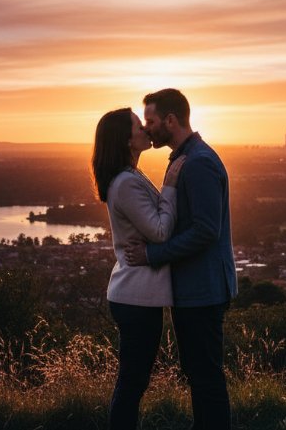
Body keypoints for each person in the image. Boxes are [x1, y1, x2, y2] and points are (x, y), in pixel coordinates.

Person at [125, 88, 237, 430]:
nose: (147, 129)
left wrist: (152, 255)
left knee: (206, 376)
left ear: (171, 120)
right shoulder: (184, 160)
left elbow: (206, 230)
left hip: (203, 289)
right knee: (199, 374)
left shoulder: (198, 162)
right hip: (194, 288)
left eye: (151, 121)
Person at [91, 107, 186, 430]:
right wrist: (170, 185)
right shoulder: (126, 184)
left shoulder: (129, 177)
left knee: (134, 381)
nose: (145, 129)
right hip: (135, 297)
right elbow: (159, 231)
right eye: (137, 126)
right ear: (125, 140)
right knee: (132, 383)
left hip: (137, 297)